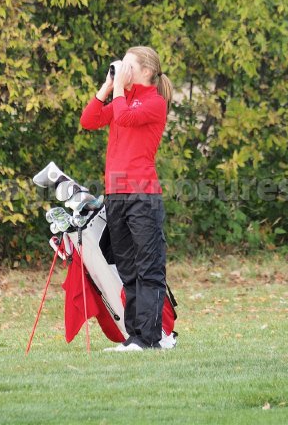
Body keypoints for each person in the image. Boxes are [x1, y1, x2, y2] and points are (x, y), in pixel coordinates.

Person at [80, 46, 173, 351]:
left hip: (142, 195)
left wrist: (119, 88)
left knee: (148, 267)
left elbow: (125, 117)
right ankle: (135, 336)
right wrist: (108, 86)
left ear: (146, 72)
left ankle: (151, 337)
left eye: (129, 66)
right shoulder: (123, 98)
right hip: (116, 195)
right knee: (128, 269)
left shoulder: (154, 103)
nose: (123, 72)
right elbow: (89, 120)